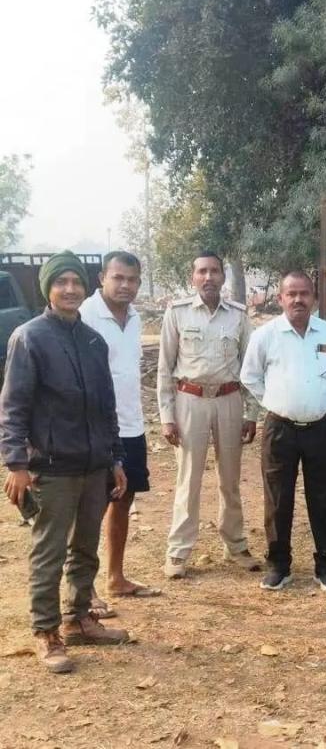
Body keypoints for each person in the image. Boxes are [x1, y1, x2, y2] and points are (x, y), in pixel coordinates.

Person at [0, 251, 130, 674]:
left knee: (85, 548)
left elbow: (107, 407)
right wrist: (16, 464)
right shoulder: (29, 338)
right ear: (48, 289)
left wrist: (115, 458)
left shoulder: (93, 341)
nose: (70, 289)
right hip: (51, 467)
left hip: (94, 465)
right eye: (61, 282)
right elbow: (13, 407)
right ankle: (46, 631)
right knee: (49, 552)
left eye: (76, 282)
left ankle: (78, 620)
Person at [240, 270, 326, 591]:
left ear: (314, 298)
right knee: (278, 499)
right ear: (280, 299)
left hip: (321, 428)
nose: (298, 299)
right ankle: (279, 566)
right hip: (280, 428)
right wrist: (274, 401)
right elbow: (250, 376)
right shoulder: (266, 335)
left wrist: (323, 402)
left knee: (324, 498)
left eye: (304, 293)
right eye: (291, 294)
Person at [157, 251, 261, 579]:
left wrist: (251, 413)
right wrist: (167, 416)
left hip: (229, 400)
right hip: (190, 401)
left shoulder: (238, 315)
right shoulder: (177, 313)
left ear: (223, 277)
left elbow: (250, 368)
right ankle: (178, 551)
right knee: (188, 479)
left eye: (214, 271)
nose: (208, 277)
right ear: (193, 277)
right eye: (202, 271)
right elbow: (164, 368)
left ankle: (236, 545)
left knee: (230, 479)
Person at [80, 251, 161, 613]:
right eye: (118, 278)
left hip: (131, 425)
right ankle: (84, 589)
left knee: (123, 500)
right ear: (102, 278)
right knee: (91, 509)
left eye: (132, 279)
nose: (125, 285)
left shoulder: (135, 318)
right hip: (96, 429)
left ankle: (116, 577)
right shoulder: (85, 316)